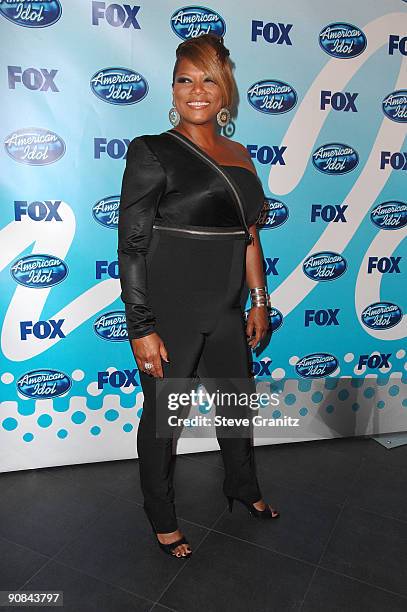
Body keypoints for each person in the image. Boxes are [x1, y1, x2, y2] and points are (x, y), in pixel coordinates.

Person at [117, 33, 280, 559]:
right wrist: (142, 326)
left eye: (209, 78)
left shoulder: (241, 156)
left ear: (225, 90)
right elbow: (133, 246)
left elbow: (249, 235)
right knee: (164, 422)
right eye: (186, 79)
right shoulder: (153, 150)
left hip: (227, 308)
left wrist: (259, 300)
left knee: (236, 410)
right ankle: (161, 515)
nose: (197, 90)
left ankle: (243, 487)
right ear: (173, 88)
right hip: (172, 312)